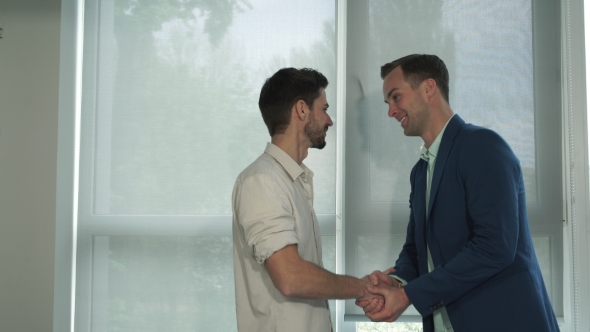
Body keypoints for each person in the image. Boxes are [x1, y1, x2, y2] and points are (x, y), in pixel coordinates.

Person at [357, 54, 560, 331]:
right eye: (388, 102)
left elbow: (494, 247)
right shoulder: (420, 172)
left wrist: (407, 296)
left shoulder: (483, 146)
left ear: (428, 88)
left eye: (396, 97)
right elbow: (416, 250)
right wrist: (397, 282)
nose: (391, 111)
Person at [232, 67, 381, 332]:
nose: (329, 120)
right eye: (324, 108)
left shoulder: (291, 181)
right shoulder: (261, 181)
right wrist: (361, 287)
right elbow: (290, 277)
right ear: (301, 110)